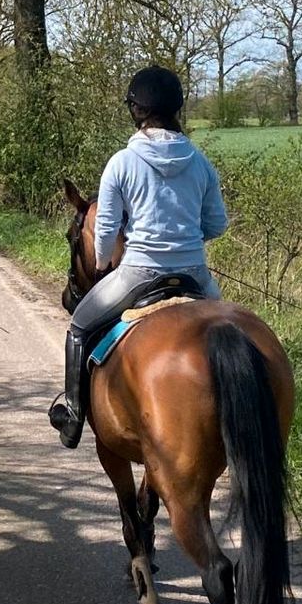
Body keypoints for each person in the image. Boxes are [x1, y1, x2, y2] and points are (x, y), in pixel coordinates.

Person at [49, 65, 228, 450]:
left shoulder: (121, 163)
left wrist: (101, 266)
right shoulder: (200, 163)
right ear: (177, 108)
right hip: (197, 276)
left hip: (139, 273)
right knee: (228, 336)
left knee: (79, 328)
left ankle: (74, 418)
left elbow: (107, 231)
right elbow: (217, 225)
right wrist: (185, 236)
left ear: (137, 110)